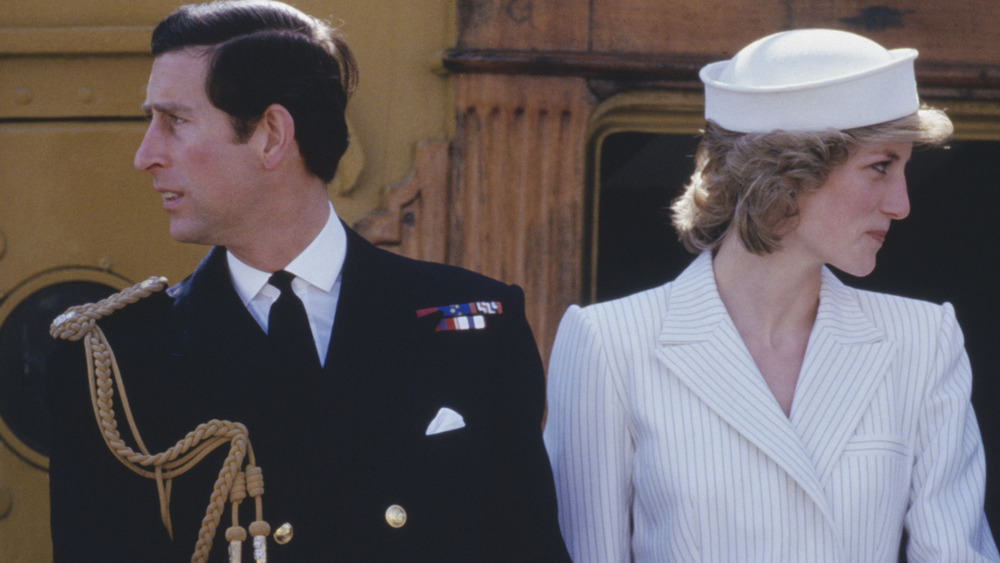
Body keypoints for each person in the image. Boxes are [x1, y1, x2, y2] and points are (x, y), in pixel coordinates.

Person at [46, 1, 570, 561]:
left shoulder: (476, 325)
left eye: (174, 121)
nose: (145, 155)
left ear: (272, 134)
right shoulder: (115, 362)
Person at [543, 28, 999, 562]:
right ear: (786, 171)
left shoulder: (923, 341)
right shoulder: (609, 343)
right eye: (880, 166)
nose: (901, 204)